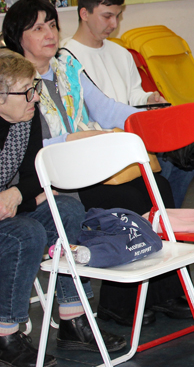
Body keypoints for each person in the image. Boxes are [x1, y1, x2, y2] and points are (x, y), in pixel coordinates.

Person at [2, 0, 193, 328]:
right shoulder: (17, 86)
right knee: (127, 200)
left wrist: (149, 121)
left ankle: (162, 290)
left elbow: (106, 109)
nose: (50, 34)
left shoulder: (66, 66)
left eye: (52, 25)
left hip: (90, 161)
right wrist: (77, 140)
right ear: (18, 38)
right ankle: (118, 303)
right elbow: (34, 150)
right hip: (61, 174)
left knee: (158, 186)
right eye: (38, 28)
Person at [0, 50, 126, 365]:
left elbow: (37, 173)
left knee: (68, 210)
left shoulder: (27, 117)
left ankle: (73, 318)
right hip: (10, 214)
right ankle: (5, 333)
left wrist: (18, 194)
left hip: (11, 205)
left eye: (34, 88)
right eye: (26, 91)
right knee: (27, 233)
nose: (35, 97)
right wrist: (26, 197)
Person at [61, 0, 194, 208]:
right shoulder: (66, 58)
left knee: (186, 157)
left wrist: (149, 99)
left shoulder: (120, 53)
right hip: (98, 149)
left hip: (130, 138)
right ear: (84, 14)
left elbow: (134, 95)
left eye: (118, 16)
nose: (114, 24)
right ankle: (160, 217)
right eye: (107, 16)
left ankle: (168, 220)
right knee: (151, 187)